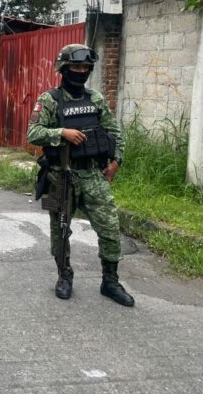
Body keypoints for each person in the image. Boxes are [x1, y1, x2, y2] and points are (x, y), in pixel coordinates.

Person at [27, 44, 134, 307]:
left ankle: (110, 281)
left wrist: (116, 161)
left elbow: (115, 132)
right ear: (64, 69)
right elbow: (33, 133)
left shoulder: (95, 99)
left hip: (93, 176)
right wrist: (61, 133)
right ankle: (64, 276)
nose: (81, 72)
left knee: (110, 228)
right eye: (76, 67)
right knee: (60, 231)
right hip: (61, 178)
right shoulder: (49, 100)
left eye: (86, 67)